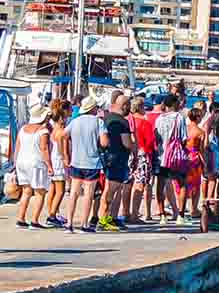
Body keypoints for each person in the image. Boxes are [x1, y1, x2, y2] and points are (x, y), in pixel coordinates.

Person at [65, 92, 106, 233]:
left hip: (76, 161)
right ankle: (84, 224)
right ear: (93, 108)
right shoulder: (98, 122)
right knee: (88, 194)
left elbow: (63, 136)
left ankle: (69, 223)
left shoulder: (75, 121)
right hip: (92, 162)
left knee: (74, 193)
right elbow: (104, 142)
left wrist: (67, 154)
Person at [12, 102, 53, 228]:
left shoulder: (23, 129)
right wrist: (50, 165)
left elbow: (17, 148)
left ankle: (21, 218)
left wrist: (15, 164)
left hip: (21, 162)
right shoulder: (43, 131)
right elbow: (44, 149)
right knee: (40, 192)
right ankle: (34, 221)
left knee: (26, 191)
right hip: (36, 162)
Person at [98, 90, 134, 231]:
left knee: (110, 189)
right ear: (124, 106)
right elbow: (126, 143)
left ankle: (109, 217)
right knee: (110, 190)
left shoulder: (106, 118)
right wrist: (133, 146)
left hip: (106, 157)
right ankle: (103, 219)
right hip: (117, 158)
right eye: (128, 105)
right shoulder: (122, 122)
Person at [155, 93, 188, 221]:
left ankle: (162, 215)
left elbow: (156, 137)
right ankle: (181, 215)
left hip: (161, 156)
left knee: (160, 184)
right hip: (175, 156)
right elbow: (183, 138)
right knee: (182, 183)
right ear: (175, 104)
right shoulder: (179, 117)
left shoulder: (159, 119)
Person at [128, 95, 160, 223]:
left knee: (130, 184)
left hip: (130, 153)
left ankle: (129, 211)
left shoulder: (129, 121)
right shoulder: (144, 123)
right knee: (140, 184)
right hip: (143, 154)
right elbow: (150, 141)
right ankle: (134, 214)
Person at [44, 99, 72, 228]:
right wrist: (66, 161)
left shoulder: (53, 129)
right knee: (60, 191)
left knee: (53, 189)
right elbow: (63, 149)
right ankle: (52, 215)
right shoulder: (62, 131)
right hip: (59, 161)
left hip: (53, 159)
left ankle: (51, 212)